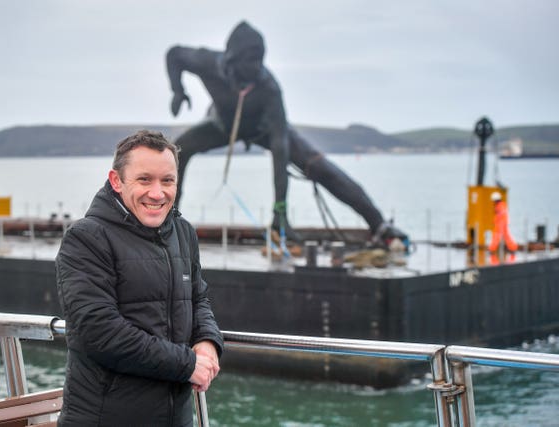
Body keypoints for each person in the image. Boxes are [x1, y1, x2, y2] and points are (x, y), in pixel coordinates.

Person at [166, 20, 407, 247]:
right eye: (249, 62)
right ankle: (168, 221)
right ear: (232, 60)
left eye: (259, 61)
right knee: (176, 152)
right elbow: (174, 54)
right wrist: (178, 91)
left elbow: (280, 149)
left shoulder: (269, 88)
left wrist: (279, 210)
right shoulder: (208, 62)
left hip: (264, 129)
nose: (255, 68)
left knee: (320, 167)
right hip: (221, 125)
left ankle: (379, 224)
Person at [55, 130, 223, 426]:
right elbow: (99, 331)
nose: (157, 193)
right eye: (144, 179)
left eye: (167, 180)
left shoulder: (183, 233)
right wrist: (187, 365)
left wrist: (208, 341)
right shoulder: (86, 238)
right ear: (116, 181)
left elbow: (199, 298)